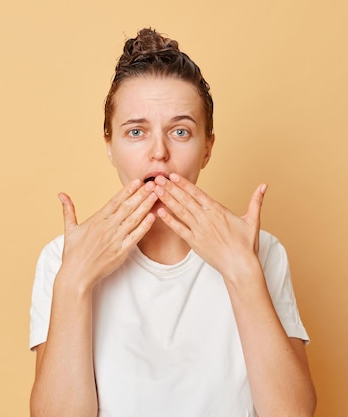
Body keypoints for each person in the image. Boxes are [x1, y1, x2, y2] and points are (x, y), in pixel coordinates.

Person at [29, 28, 316, 417]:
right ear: (110, 146)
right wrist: (74, 281)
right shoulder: (62, 259)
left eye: (180, 131)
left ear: (207, 149)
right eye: (136, 132)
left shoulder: (261, 251)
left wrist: (242, 272)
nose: (159, 153)